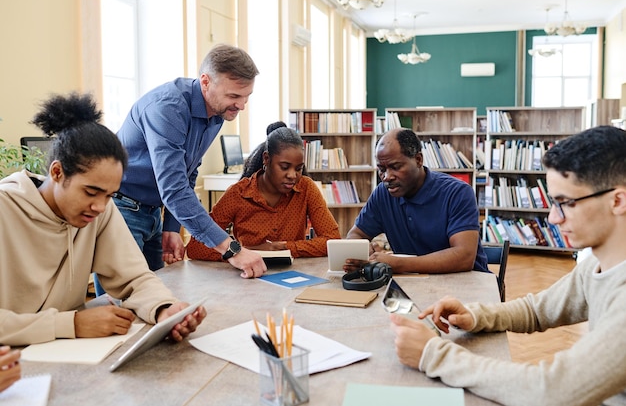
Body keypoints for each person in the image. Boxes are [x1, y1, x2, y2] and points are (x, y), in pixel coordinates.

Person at [391, 125, 626, 406]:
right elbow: (538, 310)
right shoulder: (597, 265)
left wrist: (432, 354)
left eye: (566, 203)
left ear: (617, 200)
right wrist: (476, 315)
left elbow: (551, 391)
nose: (553, 218)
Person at [0, 93, 205, 346]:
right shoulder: (5, 209)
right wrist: (70, 323)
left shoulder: (99, 212)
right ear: (56, 172)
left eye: (110, 195)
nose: (99, 206)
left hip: (66, 354)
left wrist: (165, 309)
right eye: (90, 191)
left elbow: (134, 278)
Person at [105, 43, 265, 293]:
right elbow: (175, 188)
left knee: (155, 298)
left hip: (152, 213)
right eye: (234, 96)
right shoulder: (167, 108)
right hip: (119, 209)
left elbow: (188, 172)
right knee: (121, 305)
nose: (241, 105)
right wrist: (231, 249)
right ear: (205, 82)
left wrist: (171, 226)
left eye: (246, 97)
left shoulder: (218, 111)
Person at [186, 123, 340, 260]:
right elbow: (195, 248)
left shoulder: (306, 187)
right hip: (247, 277)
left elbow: (332, 240)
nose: (293, 175)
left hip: (293, 275)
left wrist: (284, 248)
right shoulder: (238, 193)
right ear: (266, 159)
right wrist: (245, 252)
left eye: (298, 168)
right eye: (284, 167)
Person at [345, 128, 488, 274]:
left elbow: (464, 257)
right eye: (381, 169)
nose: (387, 176)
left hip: (466, 284)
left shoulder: (457, 193)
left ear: (418, 160)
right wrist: (365, 252)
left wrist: (399, 264)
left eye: (395, 167)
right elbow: (355, 235)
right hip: (413, 283)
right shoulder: (383, 193)